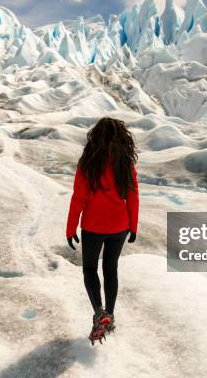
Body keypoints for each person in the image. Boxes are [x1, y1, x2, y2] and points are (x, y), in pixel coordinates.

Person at [65, 117, 139, 344]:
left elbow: (79, 198)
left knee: (89, 269)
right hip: (119, 226)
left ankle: (100, 312)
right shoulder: (125, 163)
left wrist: (70, 228)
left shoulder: (87, 163)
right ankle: (111, 315)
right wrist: (133, 226)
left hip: (93, 226)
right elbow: (133, 196)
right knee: (110, 269)